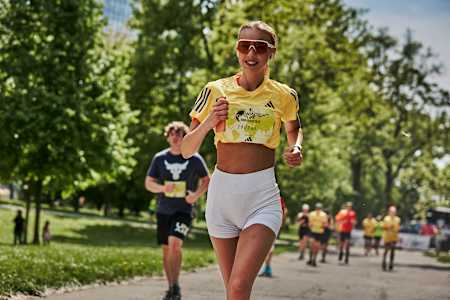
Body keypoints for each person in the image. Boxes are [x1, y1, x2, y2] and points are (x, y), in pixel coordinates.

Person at [181, 20, 303, 300]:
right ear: (237, 50)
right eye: (243, 46)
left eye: (259, 47)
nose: (251, 52)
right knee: (234, 292)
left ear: (271, 52)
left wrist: (295, 147)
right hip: (222, 198)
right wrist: (211, 120)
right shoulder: (215, 90)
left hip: (261, 198)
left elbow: (294, 129)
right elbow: (187, 149)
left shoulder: (284, 95)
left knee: (238, 287)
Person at [145, 121, 210, 300]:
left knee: (175, 244)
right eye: (172, 134)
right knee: (167, 249)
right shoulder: (160, 158)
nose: (175, 138)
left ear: (185, 137)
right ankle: (172, 286)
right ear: (167, 137)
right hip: (163, 210)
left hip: (184, 210)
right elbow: (149, 183)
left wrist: (195, 196)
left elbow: (207, 180)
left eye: (179, 134)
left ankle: (175, 285)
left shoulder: (194, 158)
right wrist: (162, 188)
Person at [259, 196, 288, 277]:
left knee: (267, 248)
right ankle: (267, 268)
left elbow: (285, 211)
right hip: (273, 224)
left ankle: (265, 268)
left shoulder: (266, 196)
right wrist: (281, 222)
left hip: (266, 224)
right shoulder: (277, 197)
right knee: (269, 247)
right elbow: (285, 211)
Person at [382, 205, 401, 271]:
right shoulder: (386, 218)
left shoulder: (398, 219)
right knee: (386, 250)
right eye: (391, 211)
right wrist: (389, 227)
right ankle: (384, 262)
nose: (393, 213)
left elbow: (398, 228)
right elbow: (384, 227)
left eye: (394, 211)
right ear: (389, 212)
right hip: (387, 236)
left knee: (392, 251)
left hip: (394, 237)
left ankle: (391, 263)